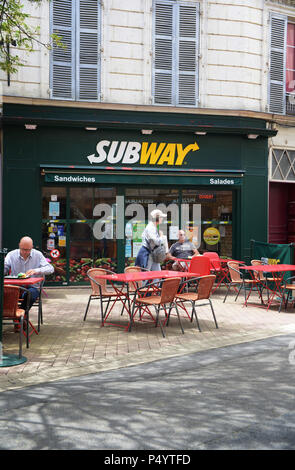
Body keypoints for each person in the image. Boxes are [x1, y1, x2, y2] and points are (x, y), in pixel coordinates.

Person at [4, 236, 54, 310]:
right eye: (23, 249)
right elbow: (5, 268)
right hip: (15, 287)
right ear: (19, 246)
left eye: (28, 250)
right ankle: (14, 315)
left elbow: (50, 268)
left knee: (30, 294)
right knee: (4, 293)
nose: (25, 252)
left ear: (32, 247)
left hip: (32, 287)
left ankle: (21, 315)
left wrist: (36, 270)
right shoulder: (11, 255)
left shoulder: (38, 255)